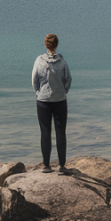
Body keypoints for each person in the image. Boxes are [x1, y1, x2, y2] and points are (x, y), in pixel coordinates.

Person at [31, 33, 72, 174]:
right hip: (60, 100)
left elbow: (34, 80)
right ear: (57, 45)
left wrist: (39, 93)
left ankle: (47, 166)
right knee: (61, 132)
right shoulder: (62, 62)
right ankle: (61, 166)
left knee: (45, 132)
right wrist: (62, 92)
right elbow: (68, 80)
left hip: (43, 101)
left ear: (46, 45)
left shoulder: (39, 60)